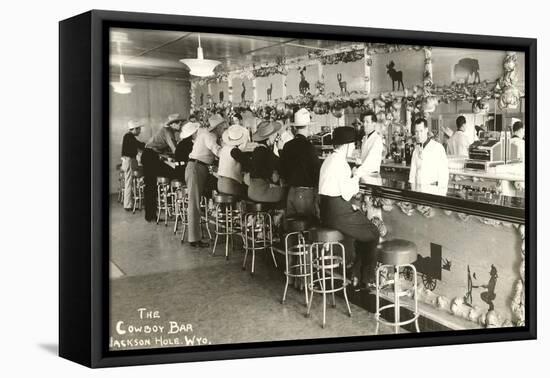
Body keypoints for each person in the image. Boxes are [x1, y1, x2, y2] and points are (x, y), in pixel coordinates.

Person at [318, 126, 381, 291]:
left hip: (325, 210)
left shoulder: (328, 160)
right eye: (353, 145)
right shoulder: (341, 164)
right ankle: (367, 280)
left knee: (361, 234)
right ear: (346, 145)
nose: (354, 148)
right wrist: (356, 176)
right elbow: (347, 194)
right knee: (373, 233)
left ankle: (355, 276)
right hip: (337, 212)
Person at [185, 113, 225, 247]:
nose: (224, 129)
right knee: (194, 204)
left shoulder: (204, 134)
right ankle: (194, 239)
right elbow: (217, 150)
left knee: (196, 202)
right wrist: (228, 151)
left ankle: (196, 235)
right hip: (196, 168)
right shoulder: (210, 136)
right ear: (217, 127)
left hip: (197, 167)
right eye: (222, 126)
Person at [280, 108, 321, 219]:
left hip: (291, 193)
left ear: (295, 127)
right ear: (308, 126)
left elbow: (282, 171)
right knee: (308, 229)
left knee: (292, 231)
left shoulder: (287, 145)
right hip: (305, 195)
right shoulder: (309, 147)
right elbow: (316, 172)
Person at [142, 114, 183, 221]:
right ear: (173, 124)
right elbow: (175, 150)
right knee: (174, 174)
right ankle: (154, 213)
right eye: (179, 123)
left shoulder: (167, 131)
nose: (181, 125)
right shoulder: (168, 132)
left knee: (150, 186)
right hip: (150, 157)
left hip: (149, 156)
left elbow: (166, 150)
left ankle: (151, 215)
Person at [232, 120, 284, 203]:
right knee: (285, 193)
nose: (276, 137)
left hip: (251, 191)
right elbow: (282, 165)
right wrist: (280, 149)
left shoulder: (256, 151)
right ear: (269, 138)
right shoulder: (266, 152)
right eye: (274, 135)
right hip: (262, 193)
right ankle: (277, 215)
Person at [409, 118, 449, 195]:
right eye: (416, 132)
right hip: (418, 191)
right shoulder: (416, 150)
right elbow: (412, 175)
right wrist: (413, 195)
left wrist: (442, 196)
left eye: (421, 131)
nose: (419, 135)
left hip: (433, 191)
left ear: (426, 130)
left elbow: (444, 174)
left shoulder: (437, 147)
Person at [217, 124, 249, 197]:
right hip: (230, 185)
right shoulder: (235, 151)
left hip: (220, 184)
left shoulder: (224, 148)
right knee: (248, 193)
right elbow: (248, 164)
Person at [121, 120, 145, 211]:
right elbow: (139, 145)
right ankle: (128, 205)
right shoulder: (129, 137)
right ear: (134, 129)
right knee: (129, 183)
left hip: (128, 161)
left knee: (129, 182)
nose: (140, 131)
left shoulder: (128, 136)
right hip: (129, 161)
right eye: (139, 129)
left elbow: (138, 145)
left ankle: (130, 202)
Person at [356, 111, 384, 177]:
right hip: (364, 173)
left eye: (367, 122)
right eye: (364, 122)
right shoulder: (365, 138)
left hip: (372, 175)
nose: (364, 124)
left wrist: (357, 172)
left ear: (374, 124)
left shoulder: (377, 140)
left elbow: (370, 161)